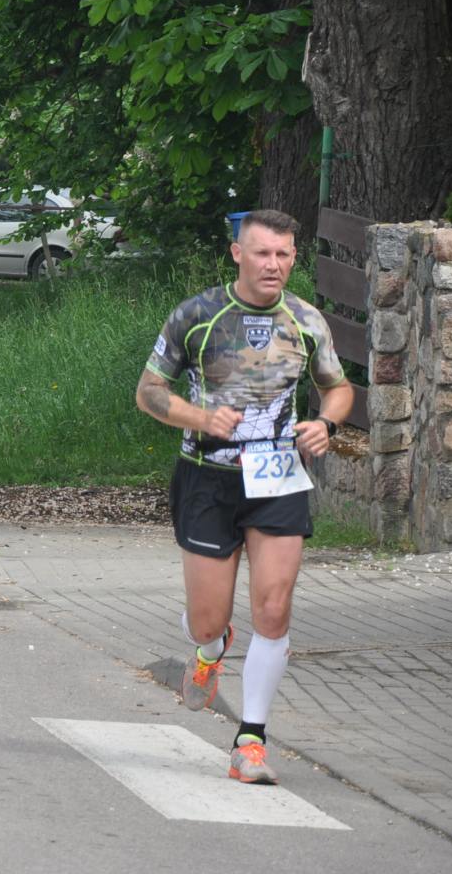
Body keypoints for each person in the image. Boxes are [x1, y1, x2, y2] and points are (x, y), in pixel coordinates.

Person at [134, 208, 352, 786]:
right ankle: (210, 650)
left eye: (283, 254)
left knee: (274, 609)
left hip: (278, 477)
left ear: (293, 257)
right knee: (208, 620)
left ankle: (250, 741)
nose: (273, 264)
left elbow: (337, 387)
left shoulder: (306, 320)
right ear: (237, 253)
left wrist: (326, 423)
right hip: (208, 478)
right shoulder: (197, 315)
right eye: (261, 253)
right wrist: (201, 417)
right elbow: (148, 391)